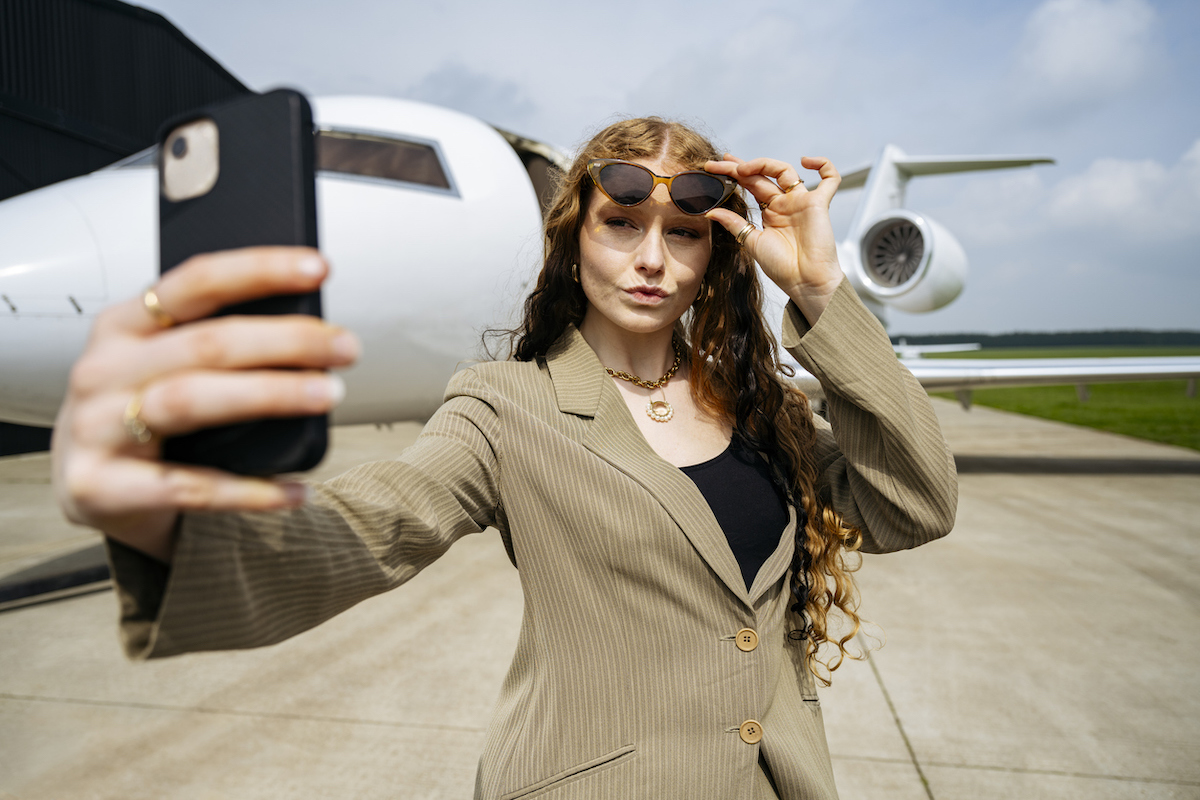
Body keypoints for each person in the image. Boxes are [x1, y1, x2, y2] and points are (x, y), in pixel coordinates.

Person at [52, 117, 957, 799]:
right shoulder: (506, 404)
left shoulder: (767, 412)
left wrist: (820, 290)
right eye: (621, 223)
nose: (652, 259)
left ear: (714, 251)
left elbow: (914, 504)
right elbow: (378, 522)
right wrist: (162, 519)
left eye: (682, 232)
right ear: (575, 238)